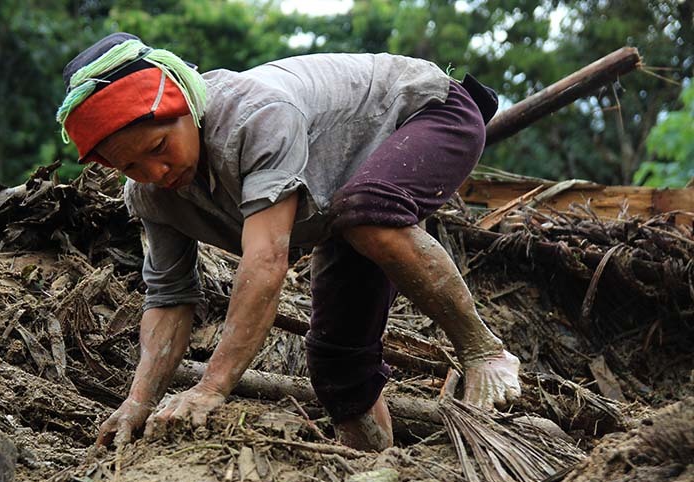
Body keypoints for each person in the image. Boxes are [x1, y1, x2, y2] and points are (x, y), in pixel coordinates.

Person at [56, 33, 522, 451]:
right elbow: (170, 298)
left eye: (159, 148)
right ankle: (380, 469)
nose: (154, 172)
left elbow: (266, 261)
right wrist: (139, 401)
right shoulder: (152, 196)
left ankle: (484, 351)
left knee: (369, 215)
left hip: (427, 114)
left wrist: (211, 388)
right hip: (341, 201)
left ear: (188, 106)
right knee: (338, 368)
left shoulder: (254, 118)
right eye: (130, 166)